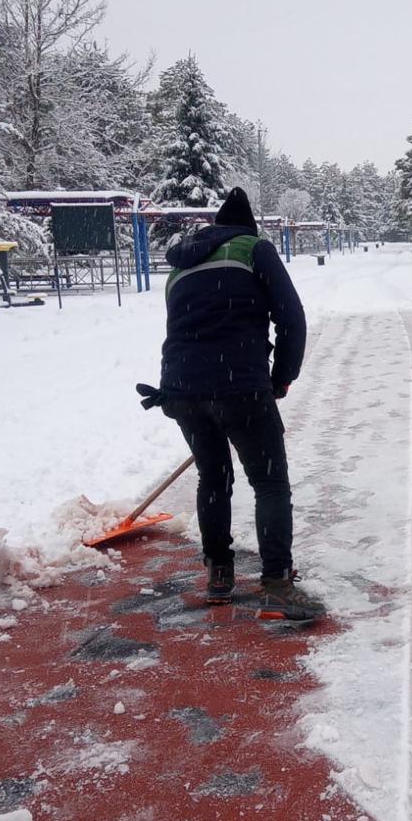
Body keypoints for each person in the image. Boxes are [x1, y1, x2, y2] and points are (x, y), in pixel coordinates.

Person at [158, 185, 323, 618]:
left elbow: (182, 330)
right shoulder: (254, 248)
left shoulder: (182, 265)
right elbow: (291, 318)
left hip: (182, 389)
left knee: (213, 479)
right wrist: (281, 378)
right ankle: (276, 584)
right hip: (239, 387)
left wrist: (182, 387)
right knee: (269, 483)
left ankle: (218, 574)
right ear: (247, 227)